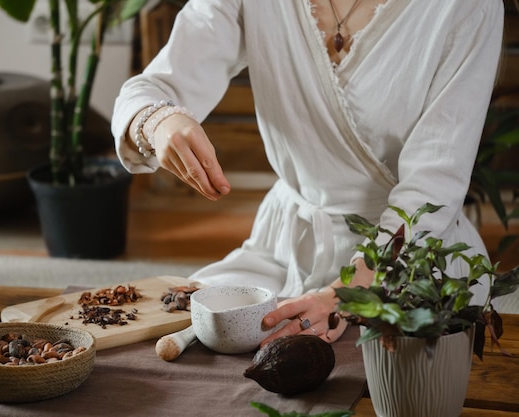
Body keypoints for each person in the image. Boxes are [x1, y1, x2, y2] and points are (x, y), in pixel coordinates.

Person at [111, 0, 504, 345]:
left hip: (408, 266)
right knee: (180, 337)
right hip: (286, 249)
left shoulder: (467, 6)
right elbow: (152, 88)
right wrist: (159, 121)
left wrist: (346, 295)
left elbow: (432, 188)